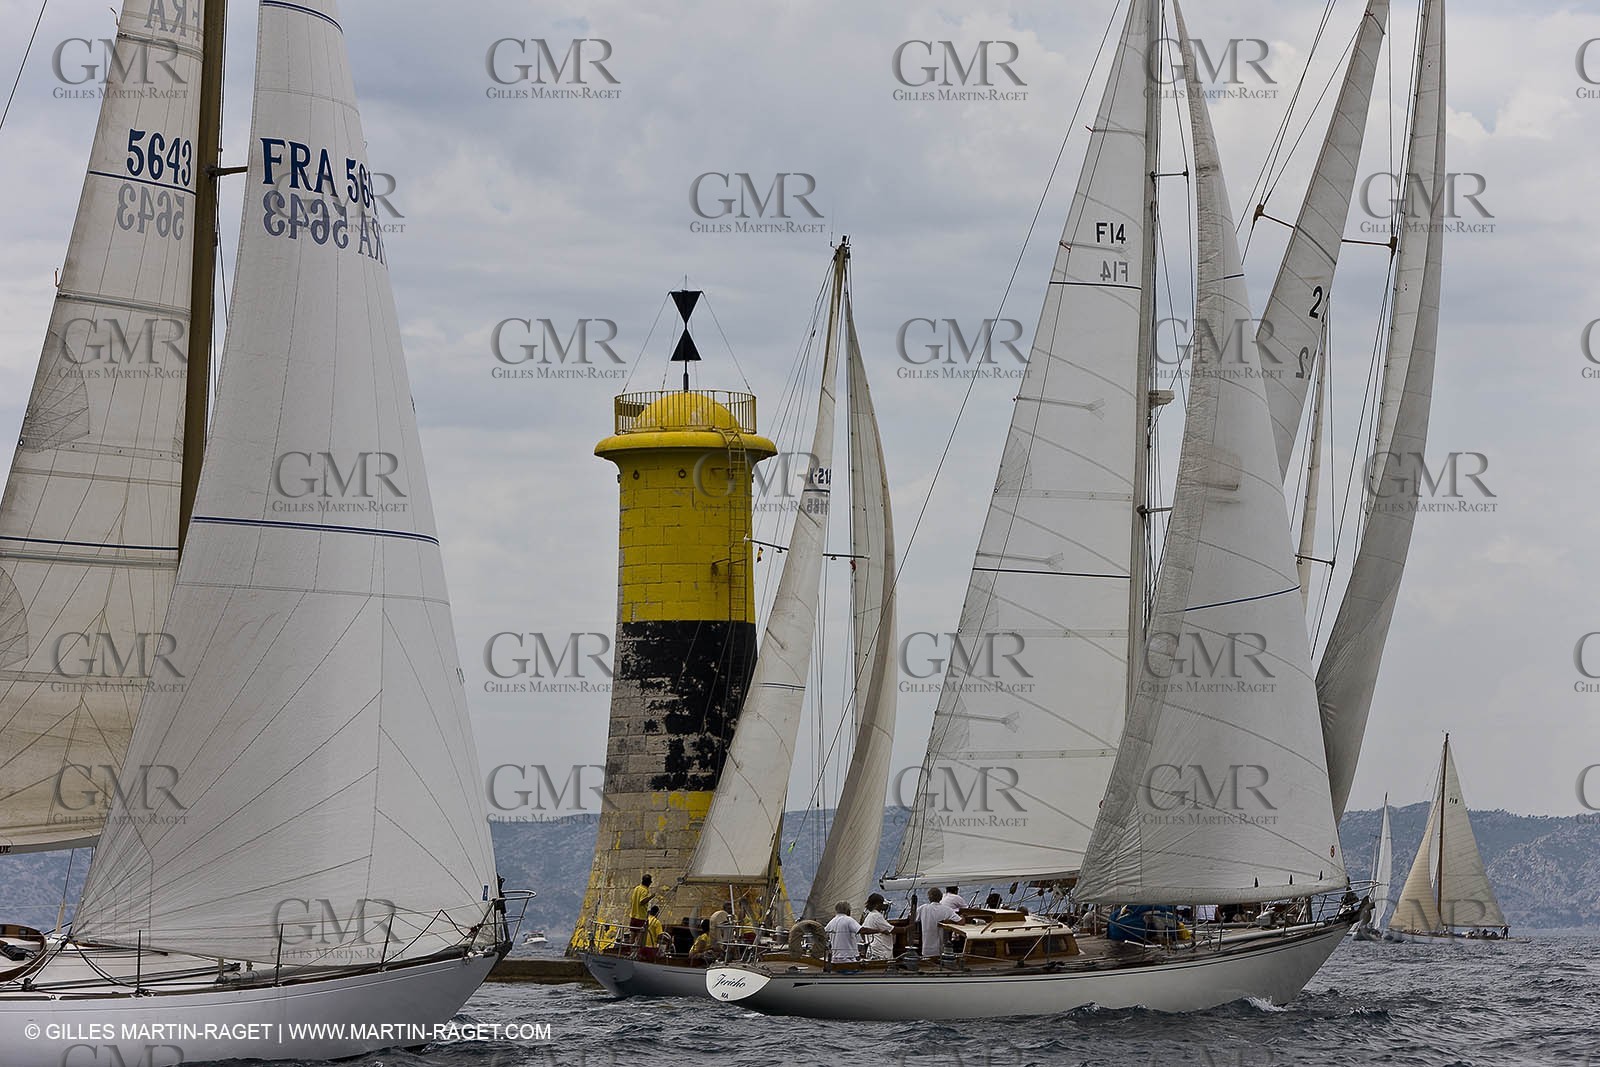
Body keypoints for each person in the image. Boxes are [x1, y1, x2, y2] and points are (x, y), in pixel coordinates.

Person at [917, 887, 957, 956]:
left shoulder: (923, 908)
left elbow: (912, 918)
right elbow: (960, 921)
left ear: (929, 898)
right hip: (942, 951)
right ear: (941, 898)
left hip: (926, 950)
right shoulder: (947, 910)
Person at [861, 893, 894, 961]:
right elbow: (891, 929)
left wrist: (867, 942)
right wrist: (906, 929)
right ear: (877, 904)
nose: (883, 905)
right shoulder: (877, 916)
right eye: (881, 903)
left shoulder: (869, 915)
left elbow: (862, 931)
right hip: (881, 951)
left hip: (872, 949)